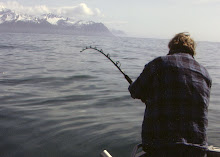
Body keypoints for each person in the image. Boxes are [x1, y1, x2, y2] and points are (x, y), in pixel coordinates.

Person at [128, 32, 212, 157]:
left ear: (171, 47)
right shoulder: (205, 73)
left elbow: (134, 91)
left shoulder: (158, 64)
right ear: (192, 50)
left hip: (159, 148)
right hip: (196, 150)